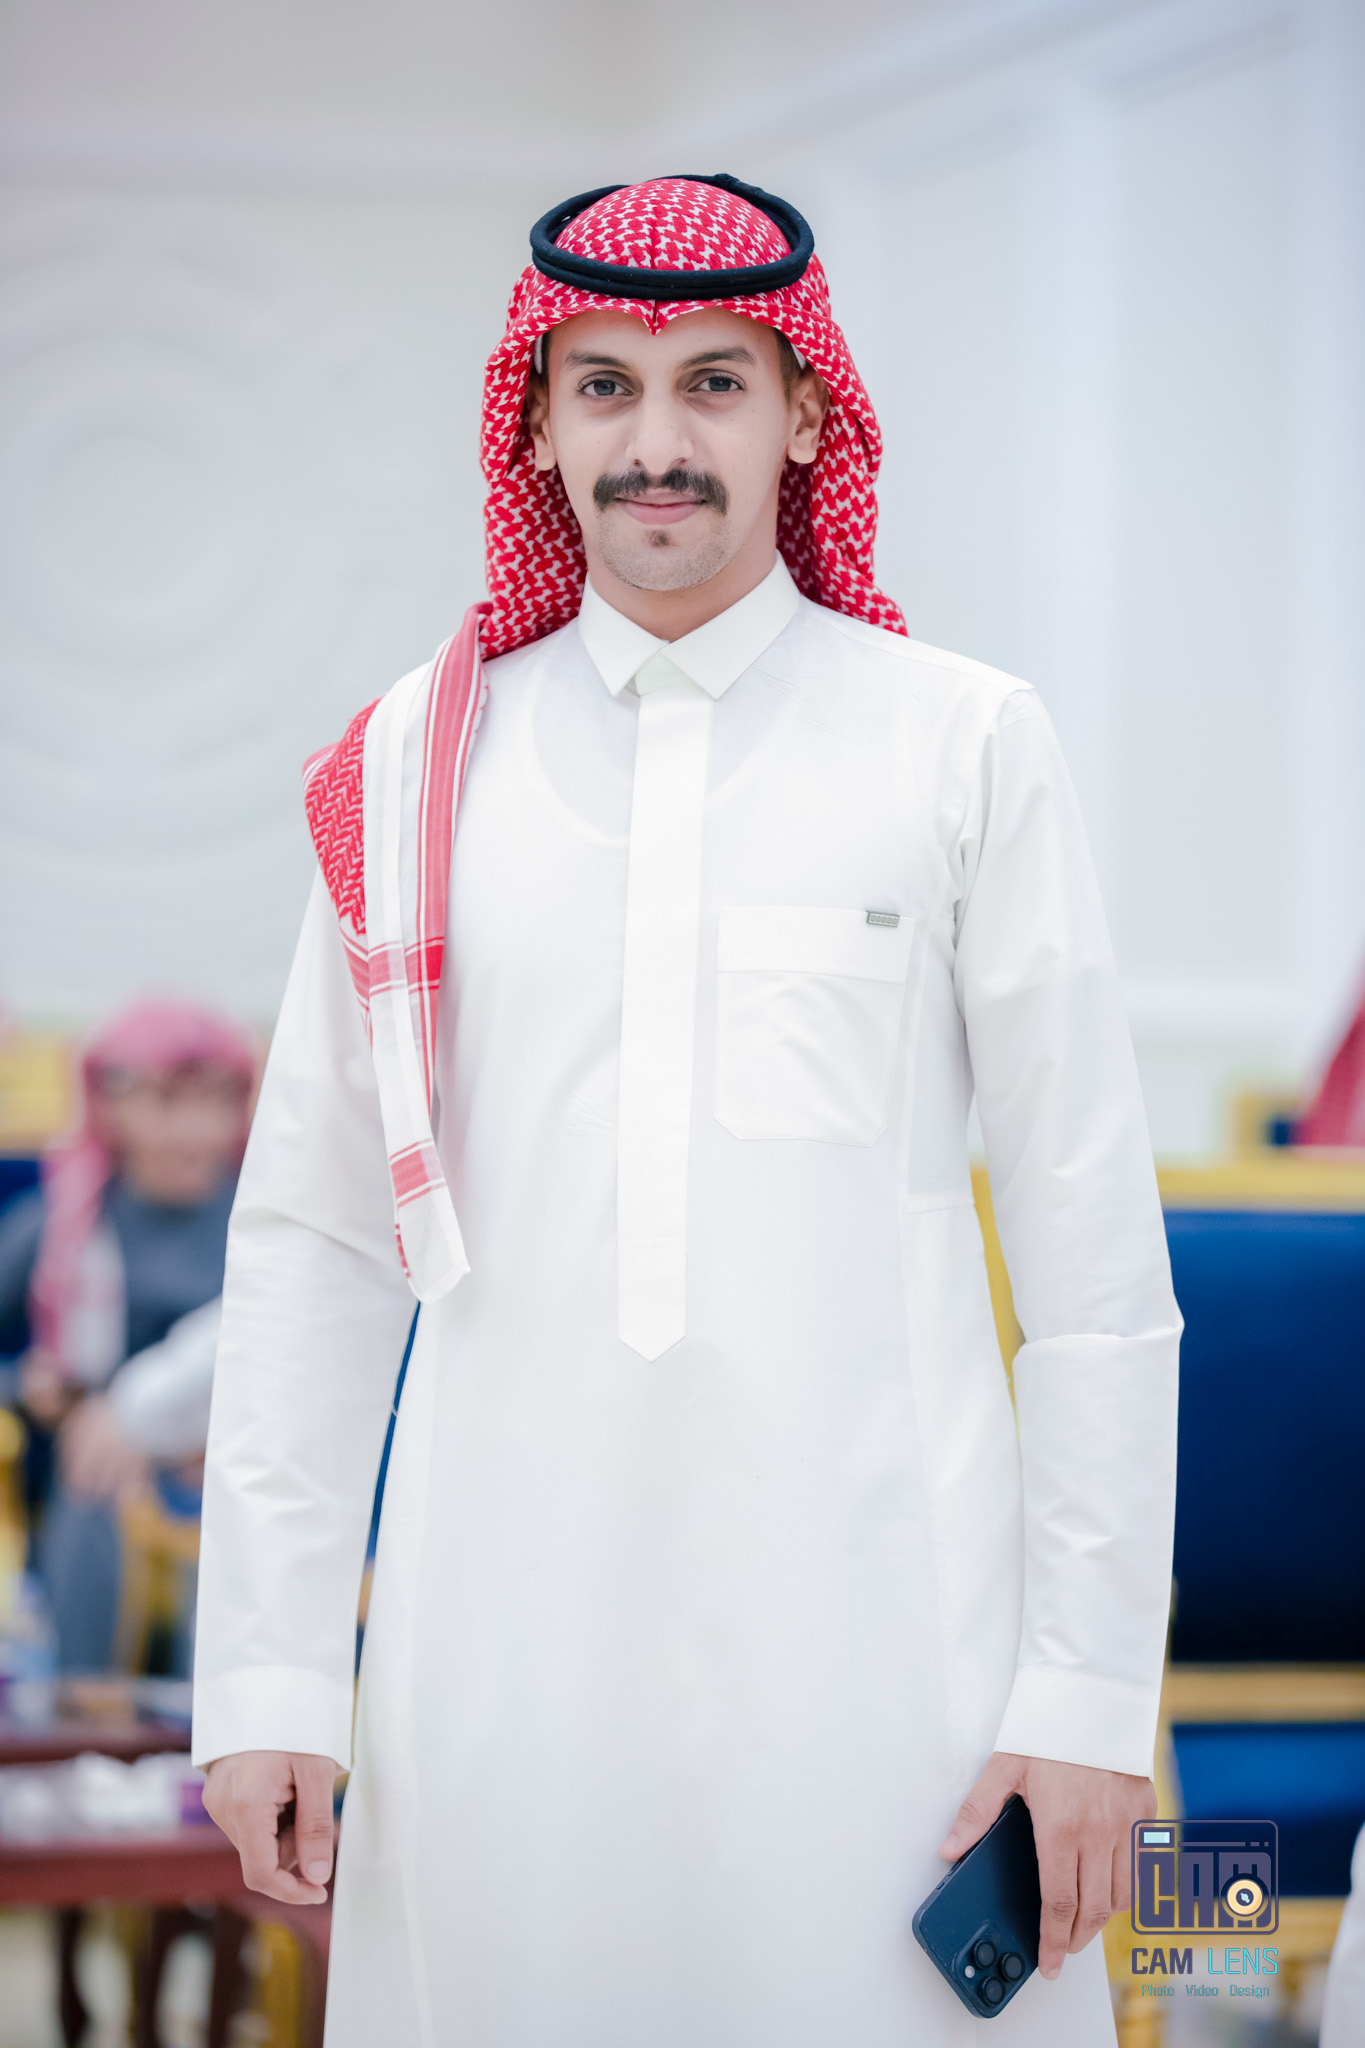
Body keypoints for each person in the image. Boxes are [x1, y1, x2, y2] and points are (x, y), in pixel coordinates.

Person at [193, 175, 1181, 2047]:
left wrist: (1083, 1696)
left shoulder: (962, 740)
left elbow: (1097, 1280)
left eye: (715, 383)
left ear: (805, 412)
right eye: (606, 388)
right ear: (536, 425)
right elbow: (316, 1244)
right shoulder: (412, 767)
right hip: (501, 1660)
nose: (658, 442)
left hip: (891, 1665)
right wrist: (267, 1673)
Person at [0, 999, 255, 1668]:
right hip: (92, 1505)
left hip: (231, 1487)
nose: (193, 1128)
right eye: (165, 1101)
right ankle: (89, 1701)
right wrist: (33, 1389)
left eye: (215, 1100)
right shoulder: (60, 1227)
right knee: (99, 1477)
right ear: (110, 1105)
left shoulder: (265, 1226)